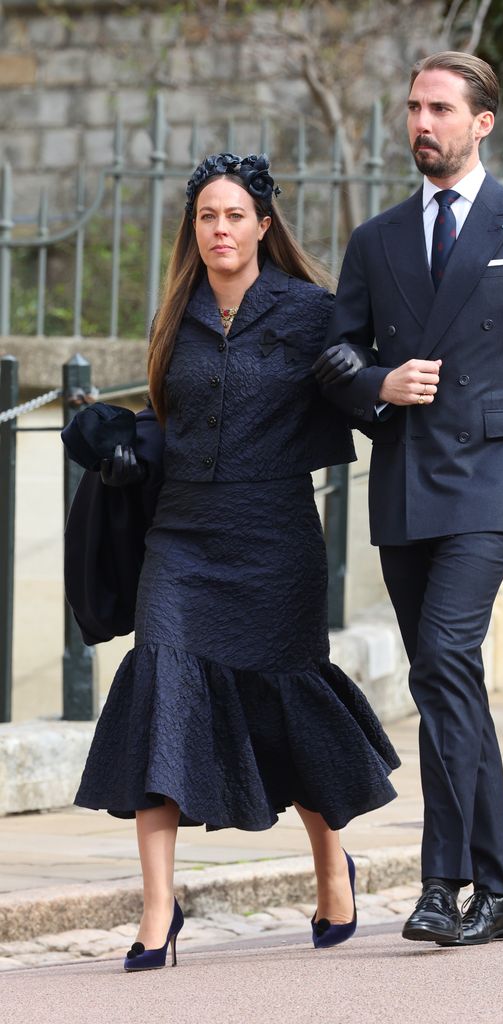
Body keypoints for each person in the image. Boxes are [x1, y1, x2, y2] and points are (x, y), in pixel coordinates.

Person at [65, 152, 400, 971]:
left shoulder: (310, 312)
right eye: (207, 217)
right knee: (158, 695)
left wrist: (390, 385)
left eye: (234, 216)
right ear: (196, 229)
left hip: (274, 540)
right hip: (180, 540)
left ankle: (331, 867)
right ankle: (156, 913)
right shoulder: (174, 314)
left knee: (285, 711)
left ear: (263, 226)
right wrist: (117, 438)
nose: (220, 229)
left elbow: (359, 392)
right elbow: (171, 424)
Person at [314, 51, 503, 948]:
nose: (422, 123)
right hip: (408, 477)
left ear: (482, 122)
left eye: (440, 109)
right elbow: (331, 360)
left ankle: (443, 882)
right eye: (414, 107)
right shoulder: (376, 240)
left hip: (492, 475)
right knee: (448, 680)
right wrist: (381, 382)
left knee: (443, 656)